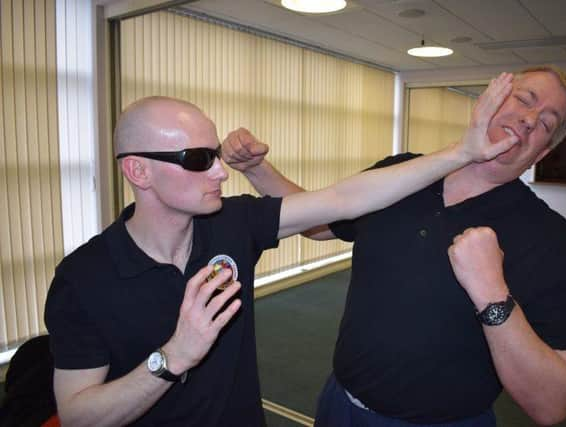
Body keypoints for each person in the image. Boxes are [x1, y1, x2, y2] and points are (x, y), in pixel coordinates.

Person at [44, 82, 516, 427]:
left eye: (215, 154)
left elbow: (342, 200)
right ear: (138, 171)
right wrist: (172, 358)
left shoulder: (230, 224)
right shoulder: (85, 278)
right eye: (196, 159)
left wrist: (461, 154)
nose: (220, 174)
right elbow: (80, 414)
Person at [222, 66, 566, 426]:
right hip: (340, 406)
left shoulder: (550, 236)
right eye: (524, 99)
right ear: (491, 101)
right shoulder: (403, 172)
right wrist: (256, 169)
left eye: (546, 124)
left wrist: (493, 296)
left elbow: (553, 404)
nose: (529, 119)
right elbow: (319, 222)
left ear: (541, 153)